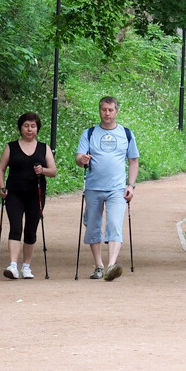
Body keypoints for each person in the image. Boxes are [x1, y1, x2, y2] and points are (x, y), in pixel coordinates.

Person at [75, 96, 138, 281]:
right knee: (93, 226)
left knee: (114, 224)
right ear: (99, 111)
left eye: (111, 110)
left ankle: (111, 265)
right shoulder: (89, 133)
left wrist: (131, 186)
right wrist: (82, 160)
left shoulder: (126, 133)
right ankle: (99, 266)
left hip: (117, 188)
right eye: (104, 109)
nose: (107, 113)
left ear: (116, 111)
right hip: (93, 187)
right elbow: (79, 157)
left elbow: (133, 161)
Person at [0, 111, 57, 279]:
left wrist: (42, 170)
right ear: (20, 128)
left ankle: (26, 266)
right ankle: (13, 265)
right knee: (15, 227)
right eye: (26, 126)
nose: (29, 129)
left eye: (33, 126)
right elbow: (1, 169)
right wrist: (2, 187)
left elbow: (53, 171)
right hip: (14, 193)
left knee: (31, 229)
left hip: (35, 195)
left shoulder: (44, 148)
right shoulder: (11, 147)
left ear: (37, 129)